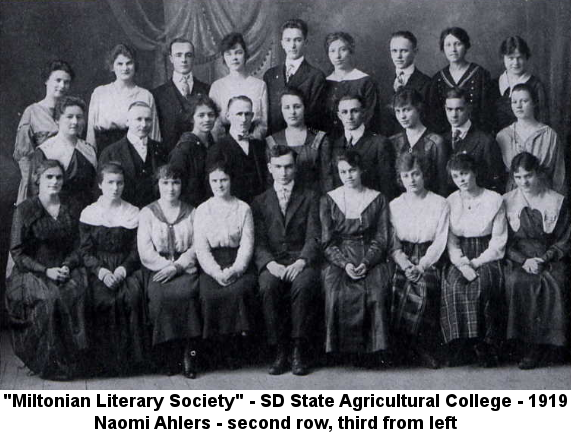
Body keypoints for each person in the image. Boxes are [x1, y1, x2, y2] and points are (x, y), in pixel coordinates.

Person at [5, 160, 89, 380]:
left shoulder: (71, 206)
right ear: (38, 180)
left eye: (58, 177)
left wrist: (67, 265)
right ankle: (48, 363)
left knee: (78, 293)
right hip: (32, 271)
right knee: (50, 299)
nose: (54, 181)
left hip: (65, 266)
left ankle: (75, 360)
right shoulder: (25, 209)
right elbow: (18, 252)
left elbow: (80, 245)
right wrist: (45, 270)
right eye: (49, 177)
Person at [251, 146, 321, 376]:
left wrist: (302, 261)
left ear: (296, 167)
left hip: (300, 259)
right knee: (268, 287)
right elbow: (258, 241)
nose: (284, 172)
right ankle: (280, 350)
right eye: (278, 167)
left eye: (289, 166)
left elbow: (314, 235)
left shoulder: (310, 196)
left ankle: (298, 350)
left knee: (303, 286)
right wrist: (269, 263)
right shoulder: (260, 201)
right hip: (273, 261)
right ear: (270, 168)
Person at [320, 151, 392, 366]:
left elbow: (381, 238)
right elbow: (327, 241)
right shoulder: (329, 199)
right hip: (339, 257)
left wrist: (366, 262)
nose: (348, 176)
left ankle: (373, 352)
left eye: (352, 170)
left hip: (371, 256)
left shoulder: (377, 198)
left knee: (376, 292)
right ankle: (344, 353)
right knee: (335, 291)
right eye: (343, 171)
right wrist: (345, 264)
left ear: (361, 170)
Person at [503, 152, 569, 369]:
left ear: (538, 173)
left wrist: (544, 258)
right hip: (518, 257)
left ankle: (552, 346)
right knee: (517, 282)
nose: (524, 182)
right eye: (519, 177)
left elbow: (564, 239)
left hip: (549, 255)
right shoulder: (507, 201)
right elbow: (504, 240)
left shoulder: (556, 200)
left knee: (555, 282)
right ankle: (528, 347)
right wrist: (524, 260)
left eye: (529, 175)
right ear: (513, 177)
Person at [79, 162, 145, 375]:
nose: (115, 188)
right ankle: (103, 364)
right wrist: (101, 271)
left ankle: (130, 363)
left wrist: (122, 270)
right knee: (100, 299)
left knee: (132, 297)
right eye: (110, 183)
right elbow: (86, 252)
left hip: (126, 267)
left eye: (119, 183)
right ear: (100, 184)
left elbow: (137, 251)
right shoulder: (89, 213)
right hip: (98, 269)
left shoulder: (132, 212)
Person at [441, 154, 507, 367]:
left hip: (487, 253)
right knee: (453, 285)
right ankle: (462, 346)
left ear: (475, 172)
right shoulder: (450, 201)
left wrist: (476, 263)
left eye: (465, 173)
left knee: (483, 285)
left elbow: (498, 241)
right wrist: (460, 262)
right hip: (460, 254)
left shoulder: (494, 199)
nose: (461, 179)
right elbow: (451, 240)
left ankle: (485, 345)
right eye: (456, 176)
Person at [137, 164, 202, 378]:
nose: (171, 188)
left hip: (185, 268)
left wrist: (178, 266)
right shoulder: (148, 213)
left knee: (189, 296)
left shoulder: (192, 212)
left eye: (175, 182)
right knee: (160, 298)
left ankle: (189, 354)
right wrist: (166, 266)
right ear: (158, 185)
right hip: (157, 269)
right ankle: (170, 355)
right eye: (165, 183)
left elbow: (197, 245)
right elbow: (145, 251)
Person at [194, 161, 257, 370]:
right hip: (212, 265)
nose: (219, 185)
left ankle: (237, 351)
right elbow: (201, 248)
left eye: (224, 180)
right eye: (214, 181)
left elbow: (247, 243)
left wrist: (236, 269)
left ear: (231, 181)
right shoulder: (202, 210)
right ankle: (215, 352)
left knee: (239, 292)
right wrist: (215, 272)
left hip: (238, 262)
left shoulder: (243, 208)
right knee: (209, 294)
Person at [389, 154, 449, 368]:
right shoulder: (394, 205)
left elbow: (440, 239)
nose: (412, 180)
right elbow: (393, 242)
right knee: (396, 285)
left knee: (425, 285)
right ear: (400, 178)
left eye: (416, 174)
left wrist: (422, 265)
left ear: (425, 175)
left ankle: (422, 346)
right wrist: (405, 264)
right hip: (402, 258)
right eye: (406, 175)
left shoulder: (440, 203)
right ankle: (405, 346)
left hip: (429, 257)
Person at [13, 60, 75, 204]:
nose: (62, 86)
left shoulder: (71, 114)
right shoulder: (32, 112)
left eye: (66, 82)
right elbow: (24, 157)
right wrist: (36, 186)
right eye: (58, 80)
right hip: (36, 183)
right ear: (47, 80)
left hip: (65, 183)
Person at [87, 43, 161, 154]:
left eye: (129, 63)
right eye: (120, 64)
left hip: (136, 152)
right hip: (104, 152)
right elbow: (90, 133)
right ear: (112, 66)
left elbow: (154, 133)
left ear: (135, 65)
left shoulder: (145, 95)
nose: (125, 68)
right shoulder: (99, 93)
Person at [496, 83, 565, 194]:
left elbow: (559, 176)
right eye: (514, 102)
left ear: (534, 103)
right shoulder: (502, 136)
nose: (518, 106)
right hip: (514, 197)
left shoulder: (549, 135)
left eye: (524, 101)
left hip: (544, 195)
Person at [30, 96, 97, 210]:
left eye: (79, 117)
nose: (75, 122)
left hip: (86, 211)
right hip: (54, 212)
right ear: (57, 120)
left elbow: (94, 186)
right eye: (69, 117)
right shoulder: (44, 150)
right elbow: (35, 190)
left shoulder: (89, 150)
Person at [99, 101, 168, 208]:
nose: (144, 124)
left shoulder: (162, 150)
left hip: (155, 213)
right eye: (139, 119)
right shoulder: (110, 152)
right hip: (123, 214)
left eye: (148, 120)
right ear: (127, 121)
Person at [263, 18, 326, 134]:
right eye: (288, 40)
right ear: (282, 43)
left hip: (303, 140)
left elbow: (316, 118)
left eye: (297, 40)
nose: (292, 45)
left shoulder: (316, 77)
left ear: (305, 42)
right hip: (275, 140)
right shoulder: (270, 75)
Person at [266, 88, 333, 193]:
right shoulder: (272, 141)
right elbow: (269, 182)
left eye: (297, 107)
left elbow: (327, 179)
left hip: (314, 201)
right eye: (287, 107)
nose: (292, 112)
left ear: (304, 108)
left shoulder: (319, 138)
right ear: (281, 110)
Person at [427, 27, 494, 134]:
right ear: (443, 48)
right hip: (446, 137)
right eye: (448, 45)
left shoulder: (481, 75)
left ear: (466, 46)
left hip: (477, 135)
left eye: (458, 44)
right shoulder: (438, 79)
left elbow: (488, 113)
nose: (453, 49)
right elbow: (434, 117)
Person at [331, 94, 397, 200]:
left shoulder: (380, 143)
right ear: (339, 116)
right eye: (345, 112)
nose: (349, 116)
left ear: (363, 113)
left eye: (354, 111)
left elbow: (387, 186)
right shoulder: (334, 145)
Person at [152, 38, 211, 153]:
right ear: (171, 59)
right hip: (170, 159)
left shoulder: (207, 90)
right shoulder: (157, 94)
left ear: (193, 58)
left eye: (188, 55)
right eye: (178, 55)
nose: (184, 60)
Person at [206, 96, 268, 204]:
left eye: (247, 114)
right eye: (239, 114)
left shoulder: (259, 146)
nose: (243, 119)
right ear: (228, 116)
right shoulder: (217, 149)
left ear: (252, 116)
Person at [443, 88, 504, 194]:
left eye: (459, 109)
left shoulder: (485, 141)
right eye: (450, 109)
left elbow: (495, 182)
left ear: (469, 108)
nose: (454, 115)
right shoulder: (441, 140)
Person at [390, 88, 450, 196]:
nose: (402, 116)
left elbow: (442, 184)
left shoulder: (436, 142)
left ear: (418, 108)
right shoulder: (393, 142)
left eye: (407, 110)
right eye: (398, 111)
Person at [209, 33, 268, 140]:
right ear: (224, 58)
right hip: (225, 143)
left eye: (238, 53)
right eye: (229, 54)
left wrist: (252, 139)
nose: (234, 58)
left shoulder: (259, 85)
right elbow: (214, 123)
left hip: (254, 142)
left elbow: (263, 122)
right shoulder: (217, 86)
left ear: (245, 55)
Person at [322, 32, 381, 135]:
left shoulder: (365, 81)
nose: (337, 56)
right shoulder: (324, 82)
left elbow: (371, 117)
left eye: (343, 50)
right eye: (332, 51)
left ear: (350, 51)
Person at [169, 95, 219, 207]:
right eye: (201, 115)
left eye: (210, 115)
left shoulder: (213, 144)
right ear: (192, 118)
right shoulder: (183, 149)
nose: (207, 119)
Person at [493, 36, 548, 132]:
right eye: (511, 58)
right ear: (503, 58)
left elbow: (542, 118)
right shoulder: (494, 84)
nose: (516, 63)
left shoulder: (535, 85)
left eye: (520, 57)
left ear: (526, 57)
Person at [383, 31, 431, 137]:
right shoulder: (382, 81)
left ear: (415, 52)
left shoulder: (427, 83)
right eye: (394, 51)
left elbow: (430, 120)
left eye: (404, 51)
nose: (398, 56)